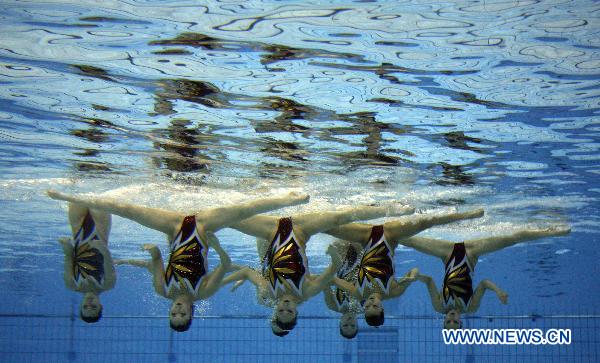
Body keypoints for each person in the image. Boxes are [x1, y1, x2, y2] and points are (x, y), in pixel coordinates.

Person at [47, 189, 310, 331]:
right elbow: (227, 264)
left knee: (128, 211)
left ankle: (72, 195)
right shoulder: (203, 291)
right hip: (203, 230)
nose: (178, 309)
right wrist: (217, 247)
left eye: (174, 313)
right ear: (190, 312)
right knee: (239, 211)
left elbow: (159, 259)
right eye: (182, 313)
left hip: (173, 229)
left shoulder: (162, 290)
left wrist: (152, 252)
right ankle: (284, 198)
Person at [221, 203, 415, 335]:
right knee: (351, 228)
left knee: (260, 218)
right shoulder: (360, 303)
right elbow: (327, 280)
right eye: (351, 324)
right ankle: (380, 208)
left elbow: (255, 272)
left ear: (273, 315)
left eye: (278, 315)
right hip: (348, 265)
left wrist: (237, 274)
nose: (284, 309)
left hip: (270, 255)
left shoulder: (265, 297)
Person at [326, 208, 485, 327]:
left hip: (365, 237)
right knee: (425, 222)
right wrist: (413, 276)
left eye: (367, 306)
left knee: (329, 226)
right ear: (382, 309)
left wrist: (320, 278)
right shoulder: (394, 291)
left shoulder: (358, 292)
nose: (370, 302)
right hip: (390, 236)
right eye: (375, 306)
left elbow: (330, 280)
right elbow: (414, 270)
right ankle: (465, 215)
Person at [406, 225, 571, 329]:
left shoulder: (439, 306)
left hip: (447, 253)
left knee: (409, 241)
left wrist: (415, 276)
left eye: (448, 322)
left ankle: (382, 225)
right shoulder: (471, 307)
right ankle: (551, 231)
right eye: (455, 322)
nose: (451, 319)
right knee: (510, 239)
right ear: (461, 322)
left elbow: (428, 281)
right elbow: (484, 284)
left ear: (443, 322)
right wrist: (498, 291)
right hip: (471, 253)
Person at [58, 203, 115, 323]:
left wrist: (66, 246)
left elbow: (68, 257)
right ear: (100, 306)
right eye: (94, 307)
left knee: (76, 195)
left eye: (85, 307)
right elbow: (108, 259)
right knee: (100, 198)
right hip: (100, 231)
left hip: (78, 229)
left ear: (80, 306)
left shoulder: (72, 284)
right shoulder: (107, 284)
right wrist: (102, 248)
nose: (89, 303)